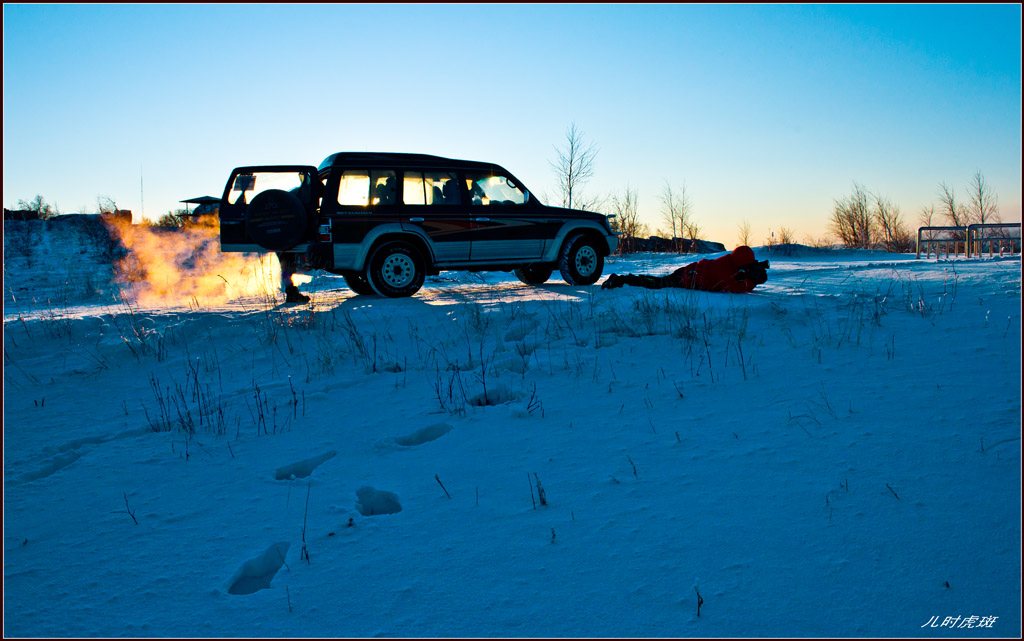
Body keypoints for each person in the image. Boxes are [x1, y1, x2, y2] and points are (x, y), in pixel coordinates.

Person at [602, 246, 769, 293]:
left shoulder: (732, 264)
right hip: (686, 277)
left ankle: (625, 279)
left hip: (690, 271)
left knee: (658, 282)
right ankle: (623, 280)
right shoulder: (725, 269)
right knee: (656, 283)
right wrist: (752, 281)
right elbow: (731, 287)